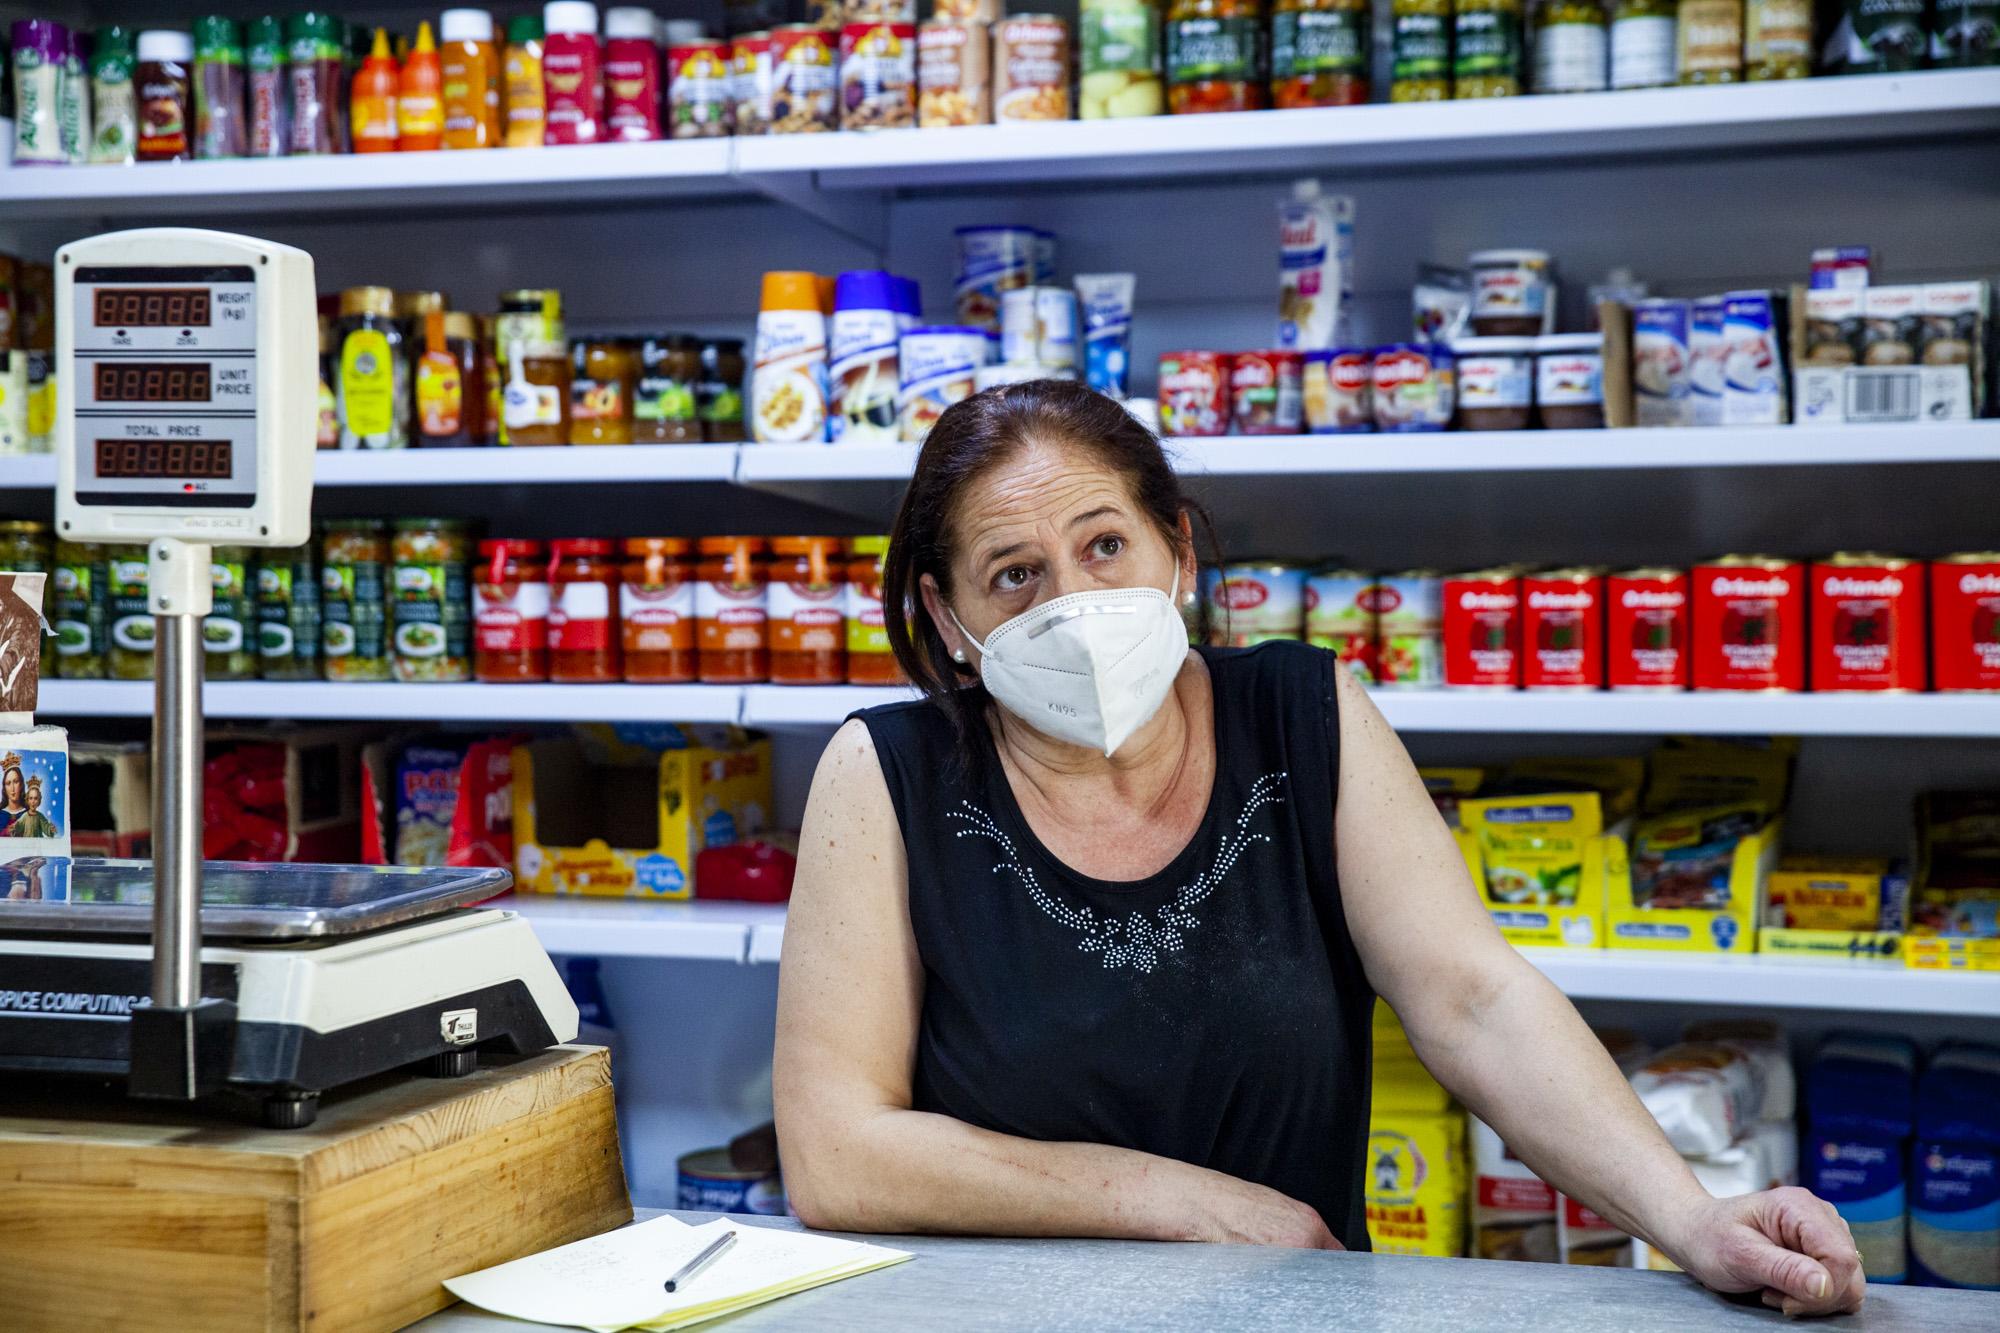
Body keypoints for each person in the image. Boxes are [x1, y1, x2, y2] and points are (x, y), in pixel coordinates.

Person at [773, 381, 1866, 1318]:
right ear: (945, 615)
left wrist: (1693, 1217)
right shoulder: (887, 774)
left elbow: (1473, 1000)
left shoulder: (1301, 715)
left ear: (1177, 552)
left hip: (1293, 1311)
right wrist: (1184, 1203)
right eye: (1014, 574)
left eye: (1104, 545)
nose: (1074, 601)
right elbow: (835, 1151)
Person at [0, 759, 26, 837]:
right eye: (8, 783)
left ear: (21, 784)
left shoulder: (29, 813)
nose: (12, 788)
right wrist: (5, 832)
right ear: (4, 788)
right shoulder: (1, 813)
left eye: (16, 782)